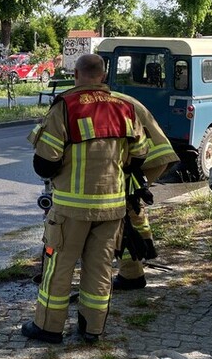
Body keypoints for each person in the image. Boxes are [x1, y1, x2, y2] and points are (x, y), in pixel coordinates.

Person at [22, 53, 149, 344]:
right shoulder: (125, 107)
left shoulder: (65, 107)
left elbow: (45, 162)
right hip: (112, 209)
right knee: (101, 268)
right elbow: (140, 155)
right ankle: (92, 329)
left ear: (76, 75)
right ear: (103, 77)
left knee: (59, 266)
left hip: (70, 210)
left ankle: (49, 327)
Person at [113, 98, 179, 290]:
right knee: (133, 206)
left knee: (122, 214)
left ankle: (131, 275)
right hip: (157, 156)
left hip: (145, 159)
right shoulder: (117, 98)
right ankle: (145, 250)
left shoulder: (91, 104)